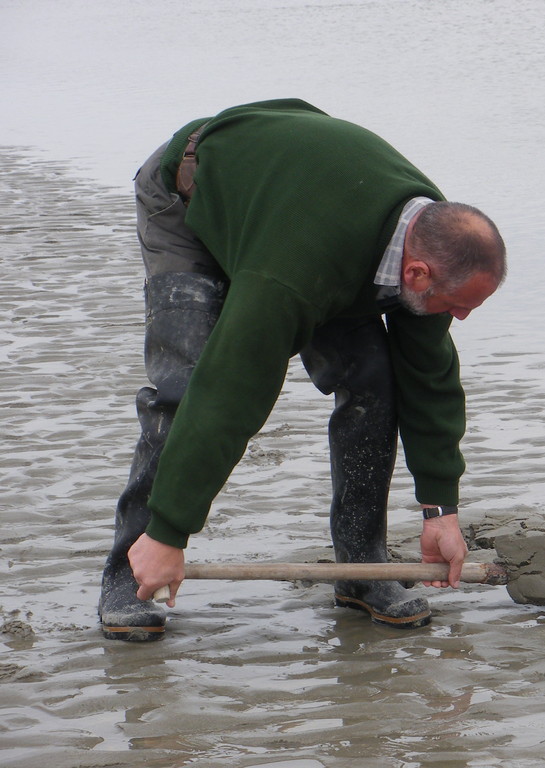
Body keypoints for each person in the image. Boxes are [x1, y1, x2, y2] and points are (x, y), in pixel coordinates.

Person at [98, 99, 506, 641]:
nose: (460, 317)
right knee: (187, 386)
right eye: (457, 304)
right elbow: (232, 389)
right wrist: (173, 530)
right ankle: (133, 567)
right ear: (416, 270)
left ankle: (362, 568)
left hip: (303, 215)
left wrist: (440, 510)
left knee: (375, 381)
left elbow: (429, 376)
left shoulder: (434, 238)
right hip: (190, 199)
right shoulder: (293, 272)